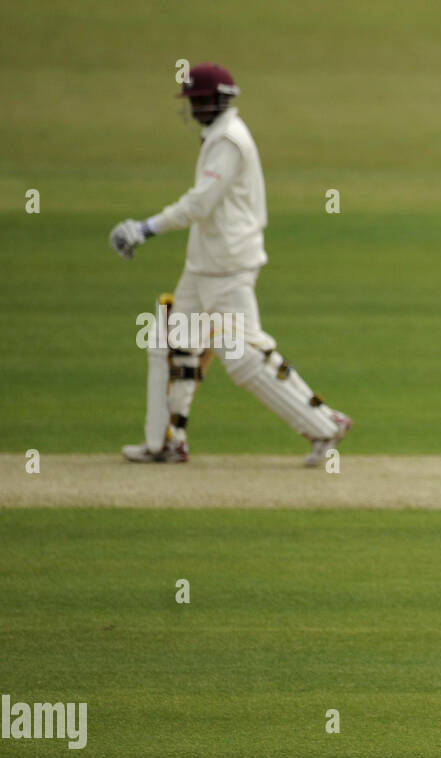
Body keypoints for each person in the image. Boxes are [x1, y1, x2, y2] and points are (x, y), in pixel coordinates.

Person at [110, 62, 351, 466]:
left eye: (201, 100)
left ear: (221, 100)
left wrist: (145, 228)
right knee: (171, 345)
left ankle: (326, 425)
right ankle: (166, 441)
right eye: (193, 100)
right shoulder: (218, 137)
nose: (196, 107)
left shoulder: (229, 141)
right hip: (204, 264)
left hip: (228, 265)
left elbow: (201, 203)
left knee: (242, 357)